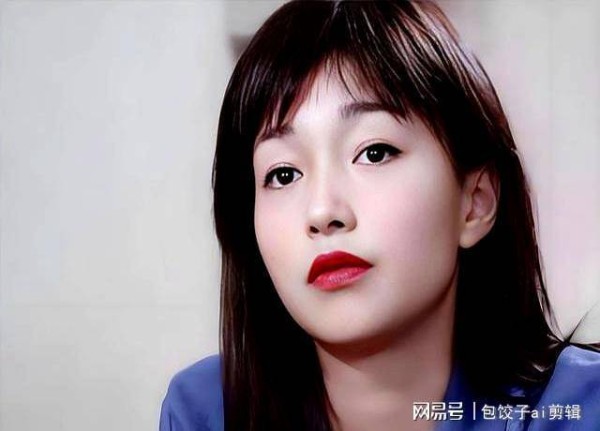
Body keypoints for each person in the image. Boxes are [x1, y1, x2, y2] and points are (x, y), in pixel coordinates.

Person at [159, 1, 600, 430]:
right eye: (283, 174)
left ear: (475, 201)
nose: (323, 211)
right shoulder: (207, 411)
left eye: (374, 153)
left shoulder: (581, 407)